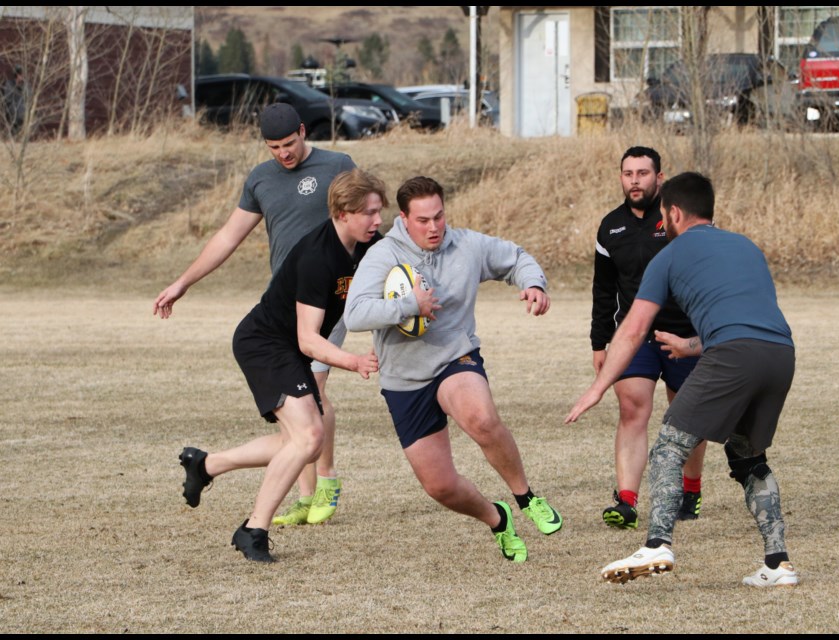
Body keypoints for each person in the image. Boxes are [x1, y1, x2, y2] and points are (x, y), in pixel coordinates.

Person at [566, 172, 798, 587]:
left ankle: (657, 543)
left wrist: (597, 388)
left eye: (663, 217)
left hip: (732, 356)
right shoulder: (747, 247)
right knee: (749, 459)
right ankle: (778, 564)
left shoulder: (668, 257)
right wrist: (691, 346)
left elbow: (634, 329)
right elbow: (746, 318)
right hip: (780, 355)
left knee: (669, 448)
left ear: (673, 213)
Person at [154, 103, 355, 526]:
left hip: (328, 300)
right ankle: (287, 490)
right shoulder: (260, 179)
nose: (283, 154)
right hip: (282, 305)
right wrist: (183, 282)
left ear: (303, 132)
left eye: (289, 144)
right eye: (274, 147)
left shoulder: (338, 165)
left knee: (314, 391)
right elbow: (228, 235)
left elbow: (364, 224)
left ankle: (327, 481)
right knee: (301, 413)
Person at [343, 176, 562, 564]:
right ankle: (497, 519)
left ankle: (526, 497)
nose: (433, 227)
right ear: (405, 220)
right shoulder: (383, 255)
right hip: (404, 379)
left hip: (454, 356)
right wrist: (409, 305)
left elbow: (516, 257)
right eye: (423, 220)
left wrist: (534, 284)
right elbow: (355, 314)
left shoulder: (467, 245)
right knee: (440, 486)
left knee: (480, 418)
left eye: (439, 217)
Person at [177, 168, 385, 562]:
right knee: (309, 438)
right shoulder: (316, 257)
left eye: (379, 212)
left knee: (301, 442)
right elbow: (309, 339)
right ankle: (253, 529)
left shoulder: (369, 243)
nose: (377, 221)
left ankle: (206, 465)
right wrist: (353, 360)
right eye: (368, 213)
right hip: (266, 343)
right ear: (342, 213)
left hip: (289, 348)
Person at [592, 146, 707, 529]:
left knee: (686, 416)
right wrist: (599, 342)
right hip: (634, 335)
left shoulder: (677, 220)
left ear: (660, 177)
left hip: (683, 334)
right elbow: (603, 290)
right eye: (628, 173)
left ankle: (690, 490)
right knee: (632, 410)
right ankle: (626, 500)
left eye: (643, 173)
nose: (635, 180)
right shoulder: (610, 227)